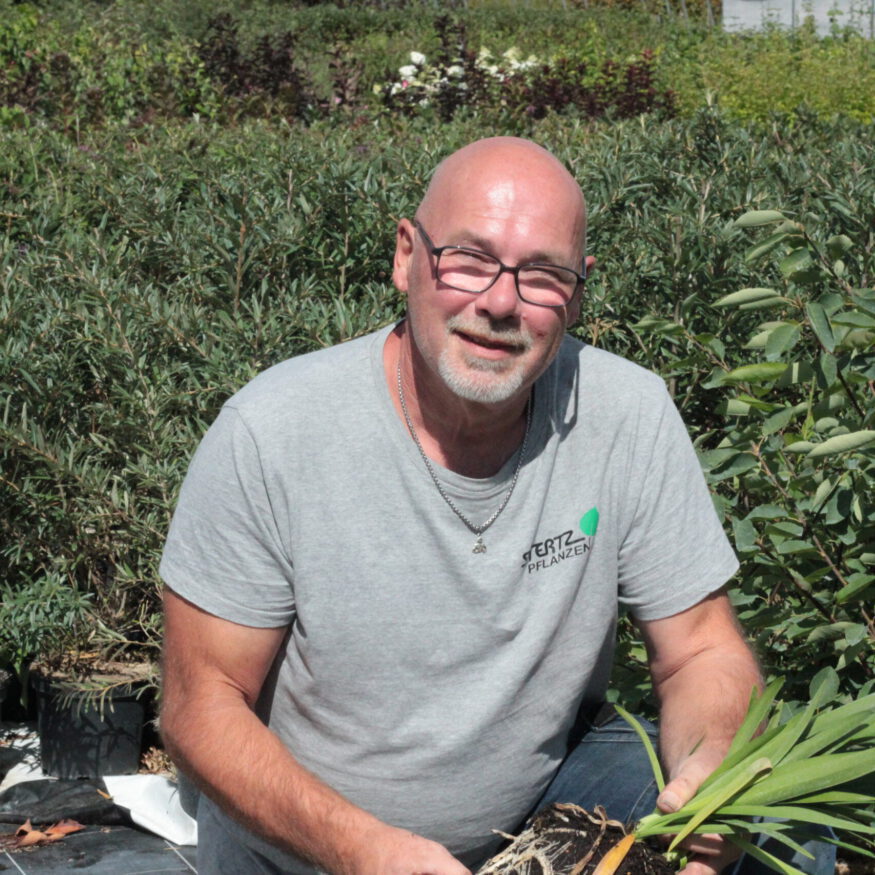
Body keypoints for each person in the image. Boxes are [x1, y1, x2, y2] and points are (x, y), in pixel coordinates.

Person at [160, 137, 768, 875]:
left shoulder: (625, 412)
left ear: (577, 291)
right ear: (407, 256)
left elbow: (701, 647)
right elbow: (201, 703)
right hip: (311, 841)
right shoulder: (274, 431)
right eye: (469, 260)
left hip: (538, 811)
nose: (500, 302)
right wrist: (365, 850)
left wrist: (712, 783)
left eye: (542, 274)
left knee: (781, 829)